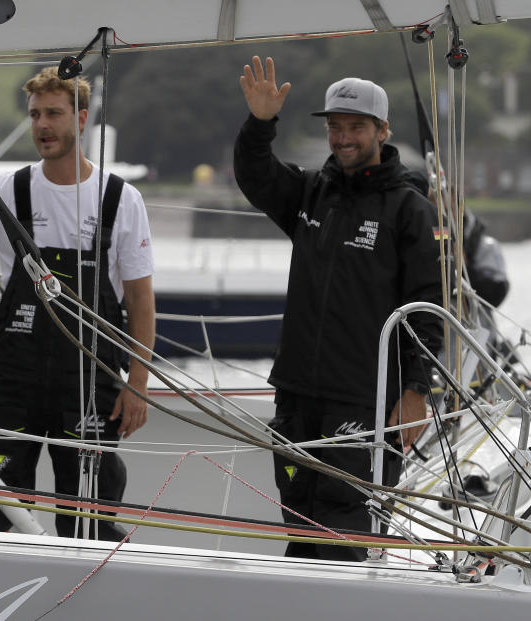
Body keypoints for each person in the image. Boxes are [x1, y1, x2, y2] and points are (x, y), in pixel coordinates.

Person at [0, 67, 156, 541]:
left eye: (53, 114)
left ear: (81, 119)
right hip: (15, 378)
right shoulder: (13, 189)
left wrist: (137, 382)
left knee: (88, 520)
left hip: (91, 381)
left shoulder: (121, 198)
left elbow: (139, 297)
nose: (42, 125)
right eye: (34, 115)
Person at [233, 56, 444, 561]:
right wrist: (261, 124)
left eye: (356, 126)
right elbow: (255, 176)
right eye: (335, 127)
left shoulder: (409, 208)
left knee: (347, 533)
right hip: (297, 396)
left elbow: (427, 309)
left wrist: (416, 391)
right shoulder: (310, 193)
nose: (343, 137)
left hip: (362, 402)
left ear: (382, 129)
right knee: (300, 522)